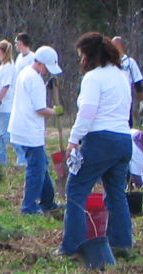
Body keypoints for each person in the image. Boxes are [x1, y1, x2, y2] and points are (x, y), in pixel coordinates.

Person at [57, 33, 134, 258]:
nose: (80, 60)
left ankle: (73, 246)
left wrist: (73, 140)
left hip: (100, 140)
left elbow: (88, 112)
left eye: (81, 56)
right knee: (116, 193)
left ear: (89, 56)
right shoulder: (121, 75)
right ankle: (121, 243)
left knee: (75, 190)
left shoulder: (93, 78)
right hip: (123, 140)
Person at [8, 46, 63, 214]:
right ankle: (29, 206)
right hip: (29, 130)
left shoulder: (26, 72)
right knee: (36, 168)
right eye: (46, 67)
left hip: (21, 127)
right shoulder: (35, 80)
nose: (47, 71)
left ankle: (48, 202)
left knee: (41, 164)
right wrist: (55, 111)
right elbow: (40, 109)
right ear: (39, 63)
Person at [10, 33, 34, 166]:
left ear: (22, 43)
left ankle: (26, 157)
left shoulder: (32, 58)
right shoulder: (19, 58)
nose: (15, 45)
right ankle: (22, 157)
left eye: (16, 43)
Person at [111, 36, 143, 126]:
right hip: (111, 97)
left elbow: (137, 82)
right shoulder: (108, 63)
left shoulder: (130, 62)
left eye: (118, 46)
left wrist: (142, 103)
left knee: (127, 122)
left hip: (126, 97)